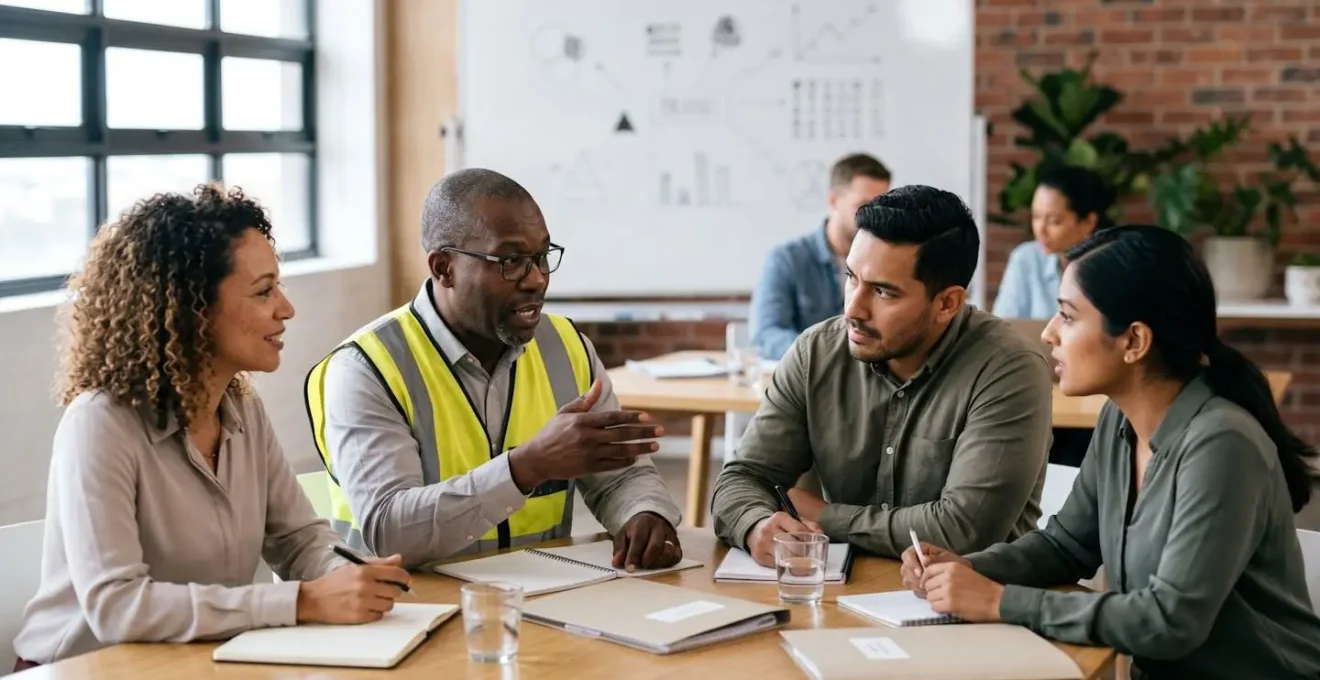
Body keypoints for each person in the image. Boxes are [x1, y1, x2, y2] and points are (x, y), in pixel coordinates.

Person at [12, 185, 409, 672]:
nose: (286, 308)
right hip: (83, 669)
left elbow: (298, 539)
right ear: (192, 309)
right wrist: (301, 602)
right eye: (264, 291)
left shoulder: (241, 405)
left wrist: (350, 577)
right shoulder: (99, 423)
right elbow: (117, 607)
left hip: (203, 660)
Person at [901, 226, 1320, 679]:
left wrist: (998, 601)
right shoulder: (1119, 419)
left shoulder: (1222, 444)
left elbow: (1170, 622)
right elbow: (1067, 546)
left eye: (1068, 315)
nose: (1047, 333)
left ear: (1135, 341)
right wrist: (964, 569)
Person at [306, 169, 683, 571]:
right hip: (403, 611)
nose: (536, 279)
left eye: (542, 256)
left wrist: (644, 514)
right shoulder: (367, 367)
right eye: (511, 261)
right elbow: (391, 532)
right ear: (443, 268)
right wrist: (527, 467)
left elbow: (621, 476)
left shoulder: (567, 347)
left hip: (538, 601)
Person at [711, 185, 1054, 567]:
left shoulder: (1008, 367)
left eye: (883, 292)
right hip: (839, 596)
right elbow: (742, 479)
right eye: (852, 278)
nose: (853, 309)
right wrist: (755, 524)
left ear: (947, 303)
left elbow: (963, 530)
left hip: (968, 605)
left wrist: (824, 515)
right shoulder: (817, 352)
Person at [750, 152, 891, 361]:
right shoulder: (787, 259)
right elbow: (767, 334)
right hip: (811, 378)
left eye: (880, 207)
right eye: (863, 206)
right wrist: (827, 355)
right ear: (833, 200)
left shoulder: (889, 261)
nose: (873, 217)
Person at [994, 166, 1115, 320]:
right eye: (1036, 217)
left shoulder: (1113, 265)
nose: (1040, 229)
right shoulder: (1026, 259)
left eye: (1054, 221)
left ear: (1089, 221)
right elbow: (1003, 327)